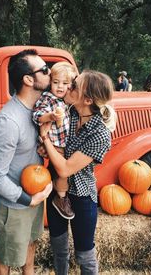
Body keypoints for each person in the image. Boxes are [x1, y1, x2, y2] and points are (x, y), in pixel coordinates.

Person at [39, 70, 117, 275]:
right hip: (56, 188)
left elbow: (65, 167)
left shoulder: (100, 134)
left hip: (81, 195)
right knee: (58, 247)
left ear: (88, 99)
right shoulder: (68, 112)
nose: (68, 87)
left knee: (84, 253)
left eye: (74, 85)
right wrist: (45, 147)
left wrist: (45, 140)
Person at [0, 49, 53, 275]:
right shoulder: (8, 122)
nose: (49, 72)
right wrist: (29, 199)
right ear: (28, 80)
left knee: (30, 245)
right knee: (7, 258)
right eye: (44, 69)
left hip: (32, 198)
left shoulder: (36, 111)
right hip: (13, 205)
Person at [33, 61, 77, 220]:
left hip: (63, 142)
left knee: (64, 171)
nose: (60, 87)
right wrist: (50, 116)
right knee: (62, 171)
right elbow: (37, 116)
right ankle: (61, 198)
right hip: (55, 144)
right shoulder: (48, 98)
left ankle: (63, 193)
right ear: (50, 82)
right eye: (56, 82)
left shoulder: (65, 99)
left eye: (65, 83)